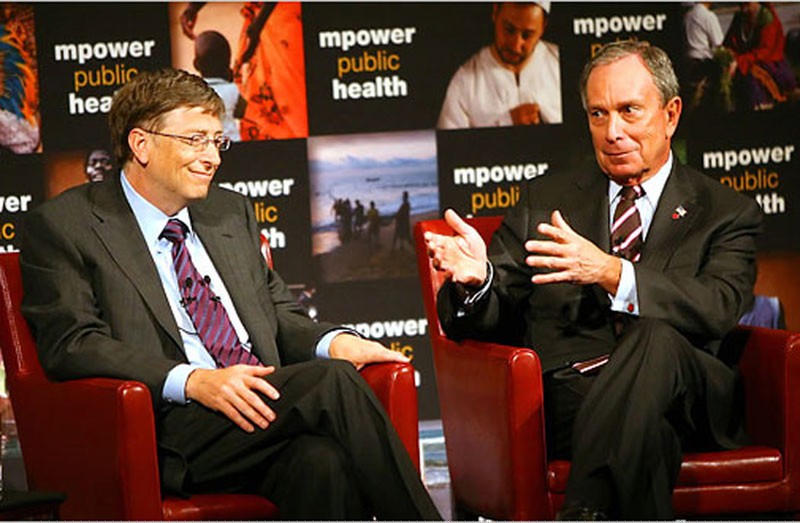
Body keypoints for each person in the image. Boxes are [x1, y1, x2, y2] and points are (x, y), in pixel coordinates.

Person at [20, 68, 440, 521]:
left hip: (255, 407)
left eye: (217, 142)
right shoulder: (67, 225)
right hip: (165, 426)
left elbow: (275, 310)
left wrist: (333, 342)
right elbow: (73, 343)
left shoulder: (228, 211)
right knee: (333, 381)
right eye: (195, 140)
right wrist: (193, 380)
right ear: (141, 144)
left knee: (323, 464)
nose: (212, 158)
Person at [424, 41, 762, 519]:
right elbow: (490, 311)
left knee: (656, 337)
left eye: (629, 111)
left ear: (670, 115)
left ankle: (583, 511)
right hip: (574, 397)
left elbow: (719, 306)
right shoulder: (546, 201)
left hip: (688, 397)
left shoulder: (724, 212)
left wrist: (610, 272)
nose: (613, 132)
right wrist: (477, 282)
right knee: (646, 435)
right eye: (598, 114)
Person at [438, 1, 561, 129]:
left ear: (543, 27)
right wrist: (506, 122)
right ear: (495, 12)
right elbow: (450, 140)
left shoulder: (560, 62)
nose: (516, 46)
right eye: (509, 30)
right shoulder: (464, 82)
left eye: (527, 35)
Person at [724, 2, 798, 110]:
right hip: (746, 60)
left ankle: (760, 106)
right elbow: (729, 43)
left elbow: (765, 51)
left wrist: (739, 62)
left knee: (750, 77)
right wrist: (728, 57)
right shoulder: (739, 18)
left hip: (768, 62)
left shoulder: (766, 17)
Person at [193, 30, 246, 141]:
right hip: (232, 143)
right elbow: (241, 113)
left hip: (207, 144)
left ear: (196, 65)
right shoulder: (233, 89)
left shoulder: (194, 92)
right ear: (228, 64)